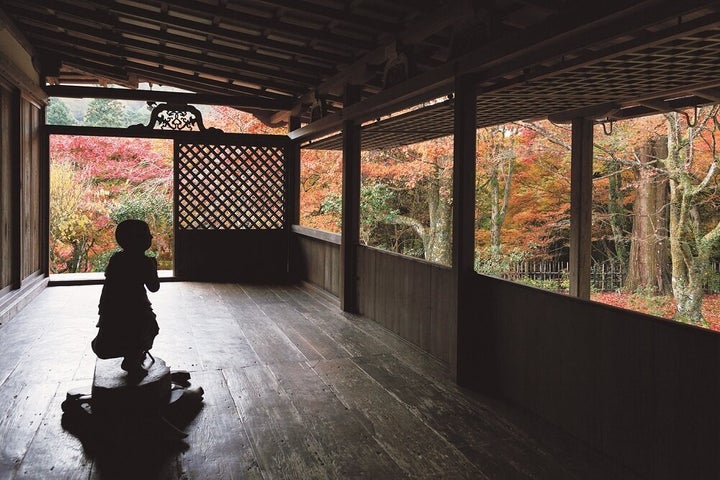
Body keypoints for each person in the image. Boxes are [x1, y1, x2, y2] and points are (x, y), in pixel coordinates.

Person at [91, 219, 160, 379]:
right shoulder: (144, 262)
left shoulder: (116, 259)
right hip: (137, 308)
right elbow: (154, 287)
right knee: (147, 329)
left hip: (112, 307)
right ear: (140, 240)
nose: (151, 237)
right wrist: (153, 268)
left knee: (123, 332)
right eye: (147, 234)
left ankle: (132, 357)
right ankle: (132, 360)